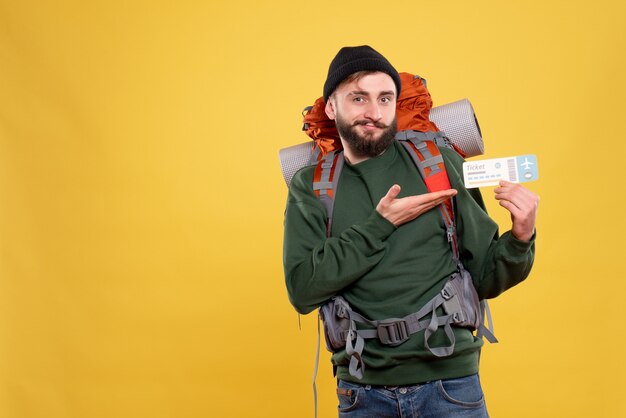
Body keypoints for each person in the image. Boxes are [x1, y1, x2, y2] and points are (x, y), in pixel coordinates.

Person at [283, 45, 538, 417]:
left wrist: (521, 237)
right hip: (361, 393)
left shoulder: (435, 162)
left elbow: (486, 276)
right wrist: (380, 224)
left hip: (451, 388)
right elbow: (303, 291)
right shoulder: (313, 185)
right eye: (359, 98)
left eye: (385, 98)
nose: (374, 112)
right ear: (332, 107)